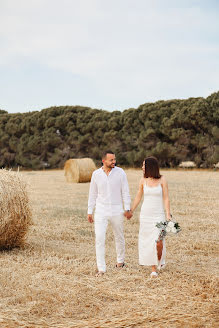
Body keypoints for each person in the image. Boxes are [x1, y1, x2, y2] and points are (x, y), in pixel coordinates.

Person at [87, 150, 132, 276]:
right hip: (101, 211)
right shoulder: (96, 174)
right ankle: (101, 268)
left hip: (117, 210)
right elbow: (93, 194)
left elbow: (125, 191)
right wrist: (90, 211)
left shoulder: (120, 172)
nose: (114, 162)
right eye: (111, 160)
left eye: (114, 159)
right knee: (100, 238)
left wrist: (127, 208)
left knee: (119, 236)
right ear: (104, 161)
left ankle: (120, 262)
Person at [130, 156, 171, 277]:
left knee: (159, 241)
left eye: (144, 165)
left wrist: (168, 214)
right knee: (149, 242)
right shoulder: (143, 180)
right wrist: (131, 210)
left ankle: (160, 260)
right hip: (145, 215)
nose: (142, 167)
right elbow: (138, 196)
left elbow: (166, 197)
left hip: (159, 215)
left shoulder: (163, 179)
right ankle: (154, 268)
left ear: (150, 167)